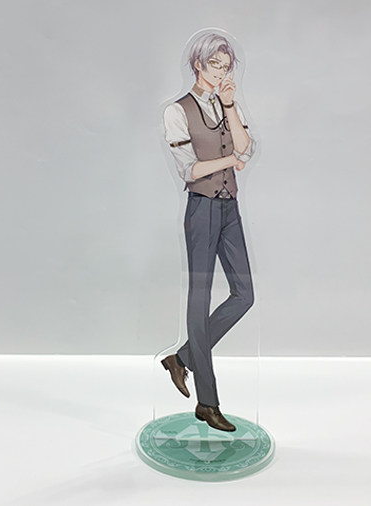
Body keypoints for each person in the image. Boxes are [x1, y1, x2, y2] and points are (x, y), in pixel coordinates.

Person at [160, 32, 256, 432]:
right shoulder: (177, 111)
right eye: (215, 64)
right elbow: (189, 170)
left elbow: (247, 148)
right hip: (201, 209)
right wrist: (231, 160)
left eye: (226, 66)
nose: (221, 72)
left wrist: (230, 105)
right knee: (199, 299)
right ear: (198, 64)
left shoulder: (226, 103)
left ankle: (182, 358)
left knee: (244, 294)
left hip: (229, 207)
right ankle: (207, 402)